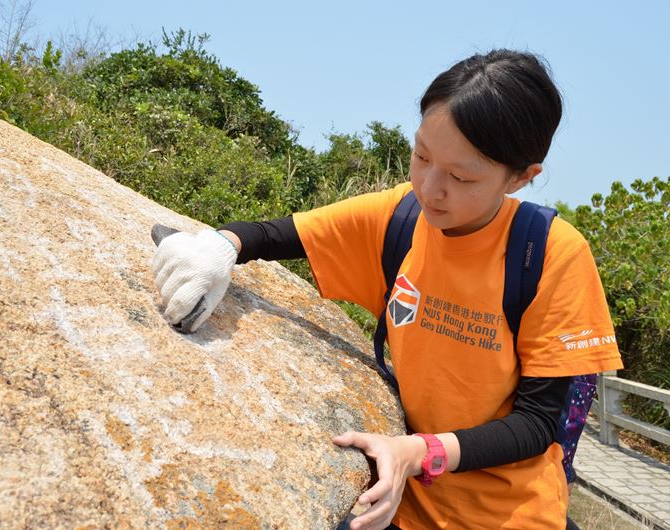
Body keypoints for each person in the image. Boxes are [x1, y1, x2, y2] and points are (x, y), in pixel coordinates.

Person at [151, 49, 623, 530]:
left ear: (523, 176)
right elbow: (278, 235)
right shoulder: (403, 216)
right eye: (421, 155)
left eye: (461, 177)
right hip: (402, 503)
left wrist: (418, 452)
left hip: (507, 515)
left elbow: (538, 423)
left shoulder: (549, 254)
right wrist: (217, 248)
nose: (429, 186)